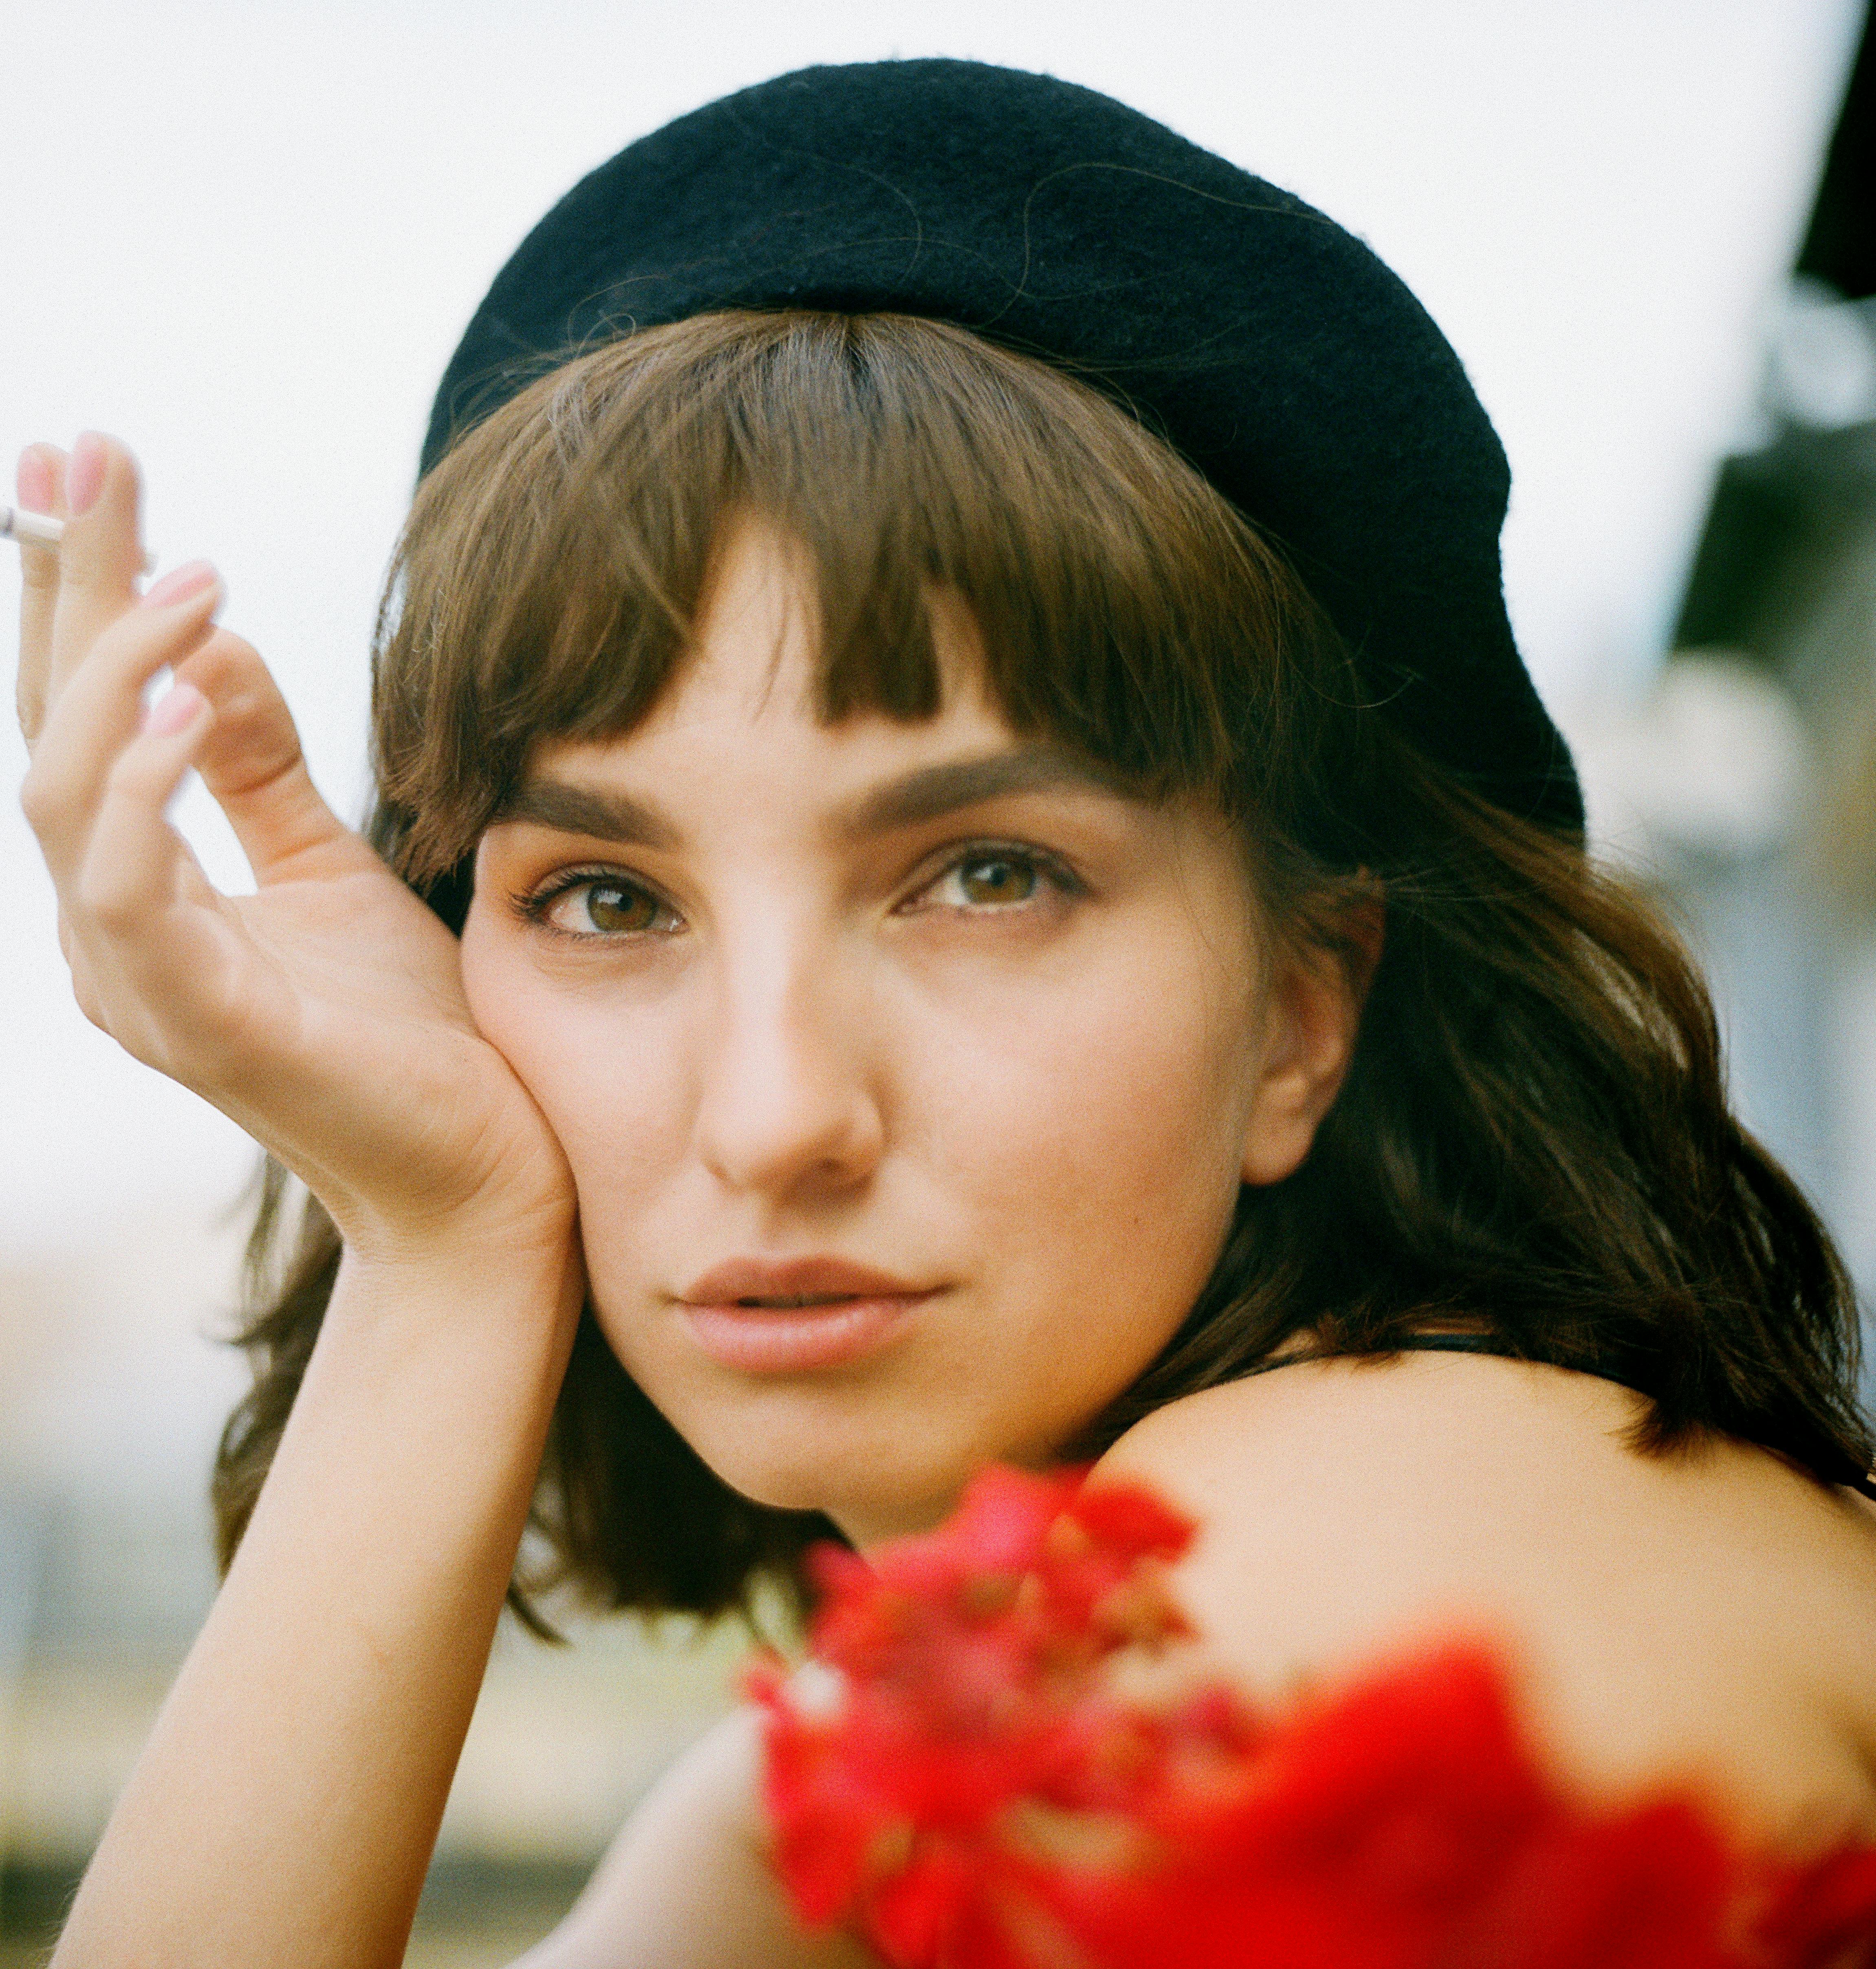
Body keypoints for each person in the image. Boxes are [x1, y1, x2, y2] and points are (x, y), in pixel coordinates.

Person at [13, 59, 1876, 1969]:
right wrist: (441, 1240)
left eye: (988, 874)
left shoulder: (1336, 1560)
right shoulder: (935, 1722)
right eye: (605, 897)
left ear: (1305, 1012)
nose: (771, 1112)